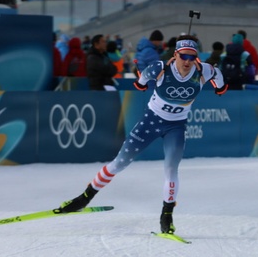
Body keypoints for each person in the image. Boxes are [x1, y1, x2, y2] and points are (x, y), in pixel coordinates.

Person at [55, 36, 227, 235]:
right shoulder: (159, 68)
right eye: (183, 56)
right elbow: (142, 80)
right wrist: (141, 83)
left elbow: (218, 75)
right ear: (176, 55)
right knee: (120, 163)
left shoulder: (203, 70)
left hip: (176, 126)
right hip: (151, 121)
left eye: (192, 57)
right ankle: (83, 198)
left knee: (171, 169)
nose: (188, 61)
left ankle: (166, 217)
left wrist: (219, 87)